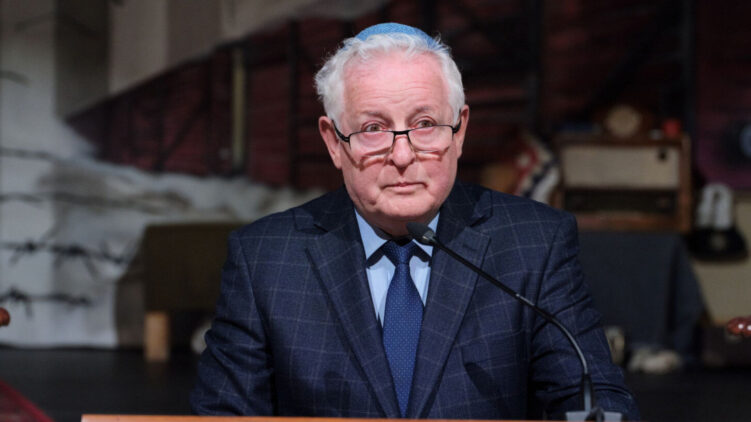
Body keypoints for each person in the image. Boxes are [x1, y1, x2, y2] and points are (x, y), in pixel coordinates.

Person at [191, 22, 640, 420]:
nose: (403, 155)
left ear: (459, 131)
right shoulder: (266, 260)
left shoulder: (534, 244)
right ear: (333, 142)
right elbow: (224, 416)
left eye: (425, 124)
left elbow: (592, 399)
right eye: (373, 129)